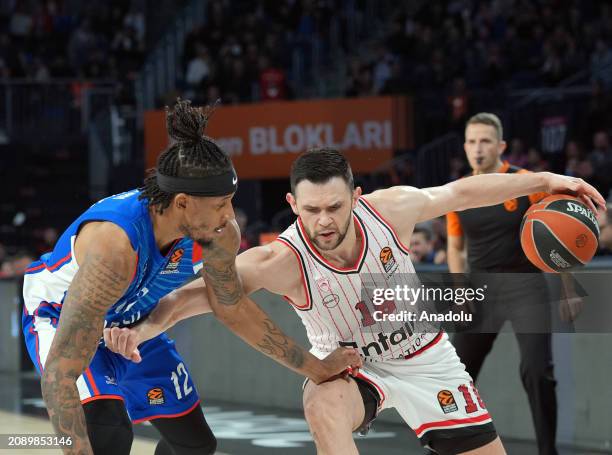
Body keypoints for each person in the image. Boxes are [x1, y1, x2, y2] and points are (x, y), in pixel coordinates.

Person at [105, 148, 604, 455]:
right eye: (312, 209)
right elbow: (199, 295)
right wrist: (141, 329)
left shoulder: (390, 211)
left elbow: (463, 193)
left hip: (427, 361)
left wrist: (547, 182)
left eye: (335, 207)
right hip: (351, 369)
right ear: (293, 204)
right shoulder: (282, 259)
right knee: (322, 404)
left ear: (357, 197)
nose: (324, 220)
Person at [22, 100, 360, 455]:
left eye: (230, 200)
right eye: (220, 204)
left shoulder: (218, 234)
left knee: (196, 447)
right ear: (182, 203)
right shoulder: (114, 246)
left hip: (133, 319)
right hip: (60, 317)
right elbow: (59, 374)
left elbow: (232, 309)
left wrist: (318, 368)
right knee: (106, 431)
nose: (229, 214)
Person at [446, 113, 584, 455]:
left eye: (486, 141)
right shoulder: (457, 192)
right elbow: (455, 246)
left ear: (501, 146)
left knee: (537, 372)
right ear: (464, 147)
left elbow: (555, 238)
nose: (478, 148)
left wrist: (568, 291)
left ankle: (547, 452)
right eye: (472, 141)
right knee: (452, 376)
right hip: (480, 292)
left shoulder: (526, 182)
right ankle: (441, 448)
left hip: (526, 287)